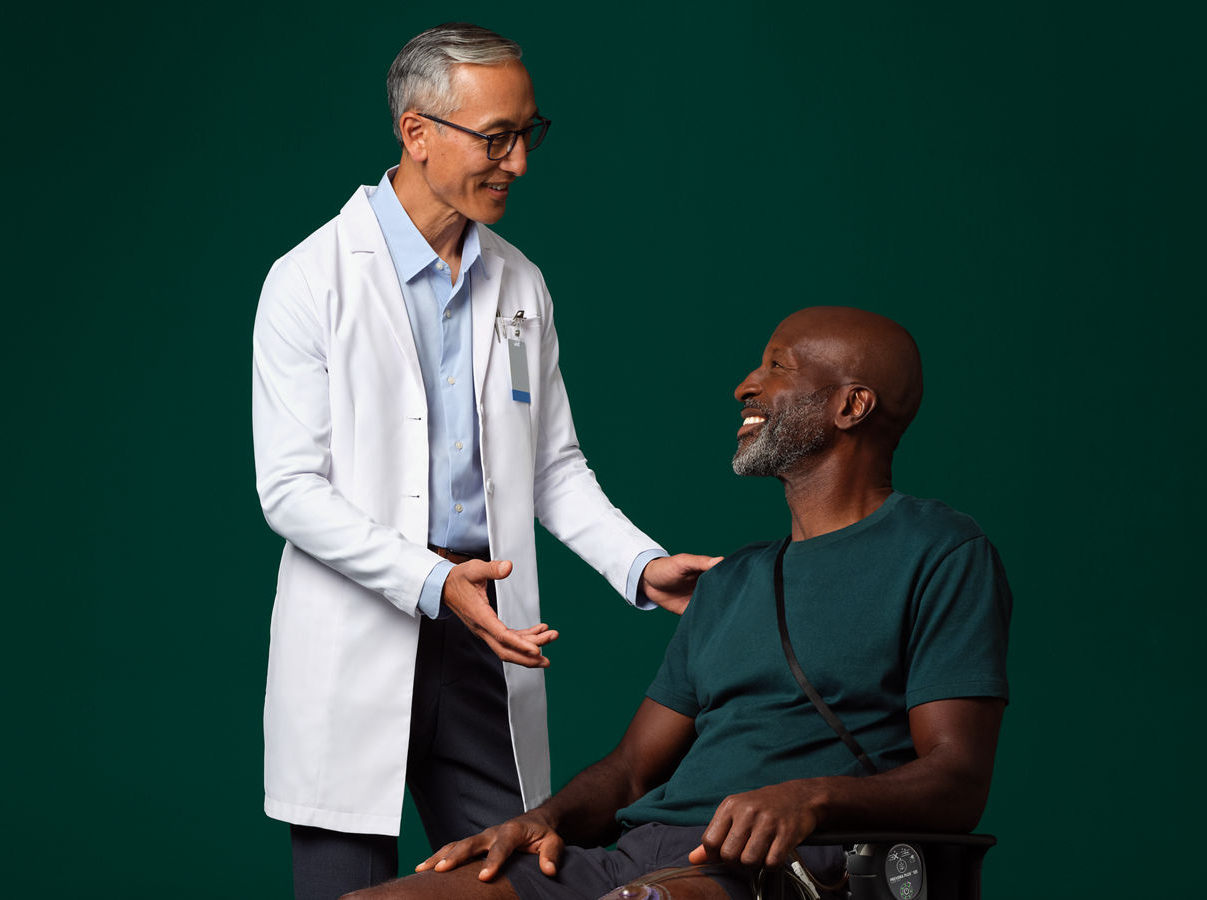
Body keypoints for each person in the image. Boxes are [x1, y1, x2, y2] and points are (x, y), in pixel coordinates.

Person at [251, 22, 718, 900]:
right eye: (494, 137)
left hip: (485, 640)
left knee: (512, 876)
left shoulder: (520, 284)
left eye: (527, 134)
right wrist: (433, 581)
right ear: (416, 131)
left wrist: (641, 564)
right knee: (345, 894)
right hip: (361, 631)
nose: (518, 162)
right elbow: (289, 490)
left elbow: (552, 469)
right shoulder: (310, 280)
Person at [343, 306, 1013, 900]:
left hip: (787, 866)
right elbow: (631, 771)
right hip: (638, 857)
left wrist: (810, 797)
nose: (745, 386)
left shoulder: (941, 552)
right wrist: (542, 821)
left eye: (776, 367)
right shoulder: (731, 581)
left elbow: (957, 780)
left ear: (851, 407)